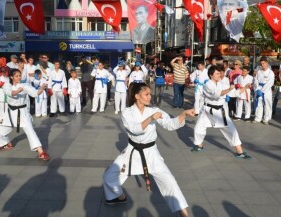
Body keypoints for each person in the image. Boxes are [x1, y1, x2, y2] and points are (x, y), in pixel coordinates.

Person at [102, 82, 195, 217]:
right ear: (137, 96)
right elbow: (135, 130)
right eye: (146, 94)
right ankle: (119, 197)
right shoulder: (127, 112)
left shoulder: (154, 110)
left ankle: (184, 214)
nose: (149, 97)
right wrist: (150, 118)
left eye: (150, 94)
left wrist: (184, 114)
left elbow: (170, 124)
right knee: (109, 177)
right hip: (132, 151)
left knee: (170, 182)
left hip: (151, 153)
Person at [191, 65, 251, 159]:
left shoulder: (222, 84)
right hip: (207, 110)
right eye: (217, 73)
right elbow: (216, 95)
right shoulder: (208, 85)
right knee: (198, 129)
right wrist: (229, 89)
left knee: (231, 130)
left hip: (219, 111)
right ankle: (199, 145)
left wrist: (245, 88)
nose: (219, 75)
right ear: (211, 75)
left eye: (220, 73)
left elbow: (234, 93)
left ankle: (239, 152)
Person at [0, 69, 50, 161]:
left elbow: (35, 93)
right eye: (16, 76)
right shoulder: (7, 85)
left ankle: (41, 152)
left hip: (22, 112)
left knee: (30, 131)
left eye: (19, 75)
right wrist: (18, 91)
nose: (19, 77)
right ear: (11, 77)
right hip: (10, 112)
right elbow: (11, 94)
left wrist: (42, 88)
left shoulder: (25, 85)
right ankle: (6, 144)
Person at [252, 56, 275, 125]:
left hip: (266, 90)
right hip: (259, 88)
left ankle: (266, 118)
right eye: (261, 63)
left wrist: (262, 90)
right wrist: (258, 89)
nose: (262, 65)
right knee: (259, 103)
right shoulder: (259, 72)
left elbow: (270, 83)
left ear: (267, 63)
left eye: (264, 63)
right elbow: (255, 80)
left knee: (267, 104)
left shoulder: (270, 72)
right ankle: (258, 118)